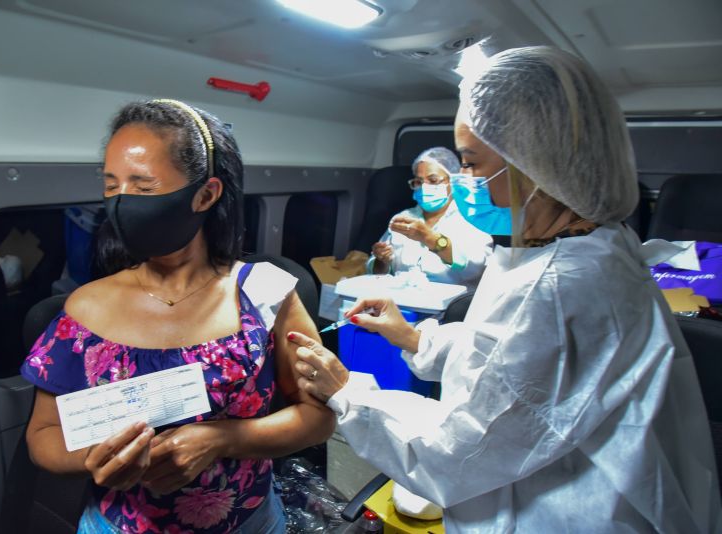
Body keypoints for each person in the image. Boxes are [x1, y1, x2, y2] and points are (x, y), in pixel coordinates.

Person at [288, 46, 722, 532]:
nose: (465, 183)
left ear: (537, 162)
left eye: (472, 164)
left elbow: (461, 451)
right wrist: (414, 338)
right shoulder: (575, 242)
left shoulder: (558, 284)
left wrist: (348, 394)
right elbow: (505, 358)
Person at [21, 99, 335, 533]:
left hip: (250, 523)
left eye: (143, 187)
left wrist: (222, 439)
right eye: (111, 186)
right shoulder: (83, 310)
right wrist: (95, 461)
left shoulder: (265, 295)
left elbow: (319, 416)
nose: (120, 204)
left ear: (205, 194)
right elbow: (42, 436)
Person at [367, 147, 493, 288]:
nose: (424, 187)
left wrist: (430, 239)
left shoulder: (472, 218)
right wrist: (381, 261)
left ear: (453, 182)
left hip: (451, 306)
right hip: (402, 301)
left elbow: (477, 270)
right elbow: (378, 273)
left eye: (433, 181)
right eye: (419, 182)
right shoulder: (403, 218)